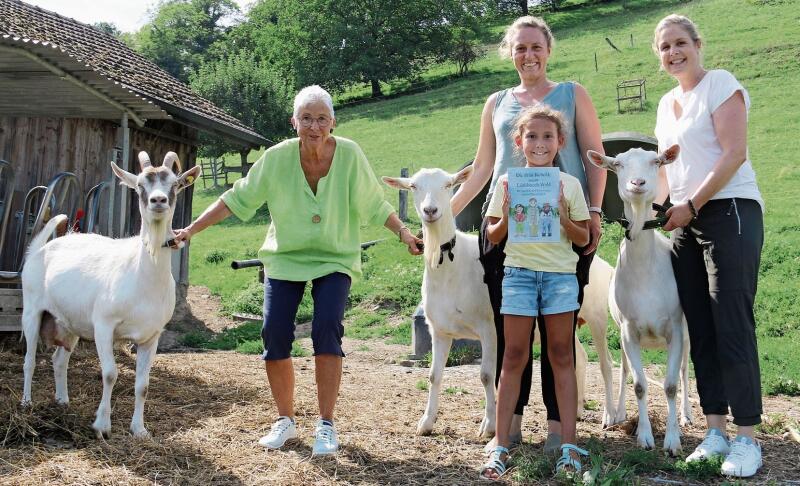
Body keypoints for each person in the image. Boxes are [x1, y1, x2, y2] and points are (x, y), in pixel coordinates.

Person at [173, 85, 422, 456]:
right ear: (294, 122)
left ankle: (326, 424)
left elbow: (374, 203)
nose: (314, 126)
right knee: (274, 333)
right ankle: (285, 421)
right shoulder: (276, 159)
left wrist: (404, 233)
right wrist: (192, 229)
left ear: (333, 123)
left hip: (334, 256)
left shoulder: (350, 155)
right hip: (286, 256)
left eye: (321, 118)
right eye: (306, 118)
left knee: (326, 328)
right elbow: (235, 198)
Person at [450, 15, 606, 453]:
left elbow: (595, 158)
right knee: (509, 331)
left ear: (549, 50)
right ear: (510, 53)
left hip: (563, 228)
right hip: (502, 229)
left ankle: (559, 430)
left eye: (536, 46)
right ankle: (510, 427)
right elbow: (483, 168)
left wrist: (592, 211)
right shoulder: (497, 101)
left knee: (559, 334)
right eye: (520, 47)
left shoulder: (572, 95)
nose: (529, 55)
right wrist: (444, 218)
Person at [653, 15, 765, 478]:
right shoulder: (665, 103)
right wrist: (650, 212)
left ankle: (748, 438)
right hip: (684, 222)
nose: (673, 52)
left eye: (681, 43)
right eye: (664, 47)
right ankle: (715, 430)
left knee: (731, 322)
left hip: (729, 211)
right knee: (700, 324)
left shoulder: (720, 84)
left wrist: (691, 205)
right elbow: (665, 172)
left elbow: (733, 152)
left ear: (698, 45)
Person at [480, 105, 590, 479]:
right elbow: (493, 235)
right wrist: (509, 214)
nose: (539, 143)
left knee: (561, 354)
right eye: (531, 136)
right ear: (518, 141)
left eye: (547, 137)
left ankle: (569, 446)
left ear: (560, 142)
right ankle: (499, 445)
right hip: (519, 275)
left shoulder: (569, 184)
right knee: (513, 356)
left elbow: (584, 236)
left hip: (560, 276)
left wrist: (562, 217)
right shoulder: (508, 183)